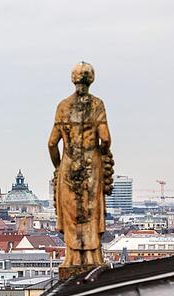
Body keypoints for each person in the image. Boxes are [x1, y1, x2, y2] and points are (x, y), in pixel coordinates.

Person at [48, 62, 114, 276]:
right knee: (90, 211)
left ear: (73, 79)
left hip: (68, 163)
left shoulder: (63, 106)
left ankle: (72, 258)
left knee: (71, 214)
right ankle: (93, 257)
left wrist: (60, 167)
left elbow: (51, 143)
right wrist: (101, 154)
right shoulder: (97, 105)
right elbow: (105, 138)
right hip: (90, 164)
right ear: (91, 79)